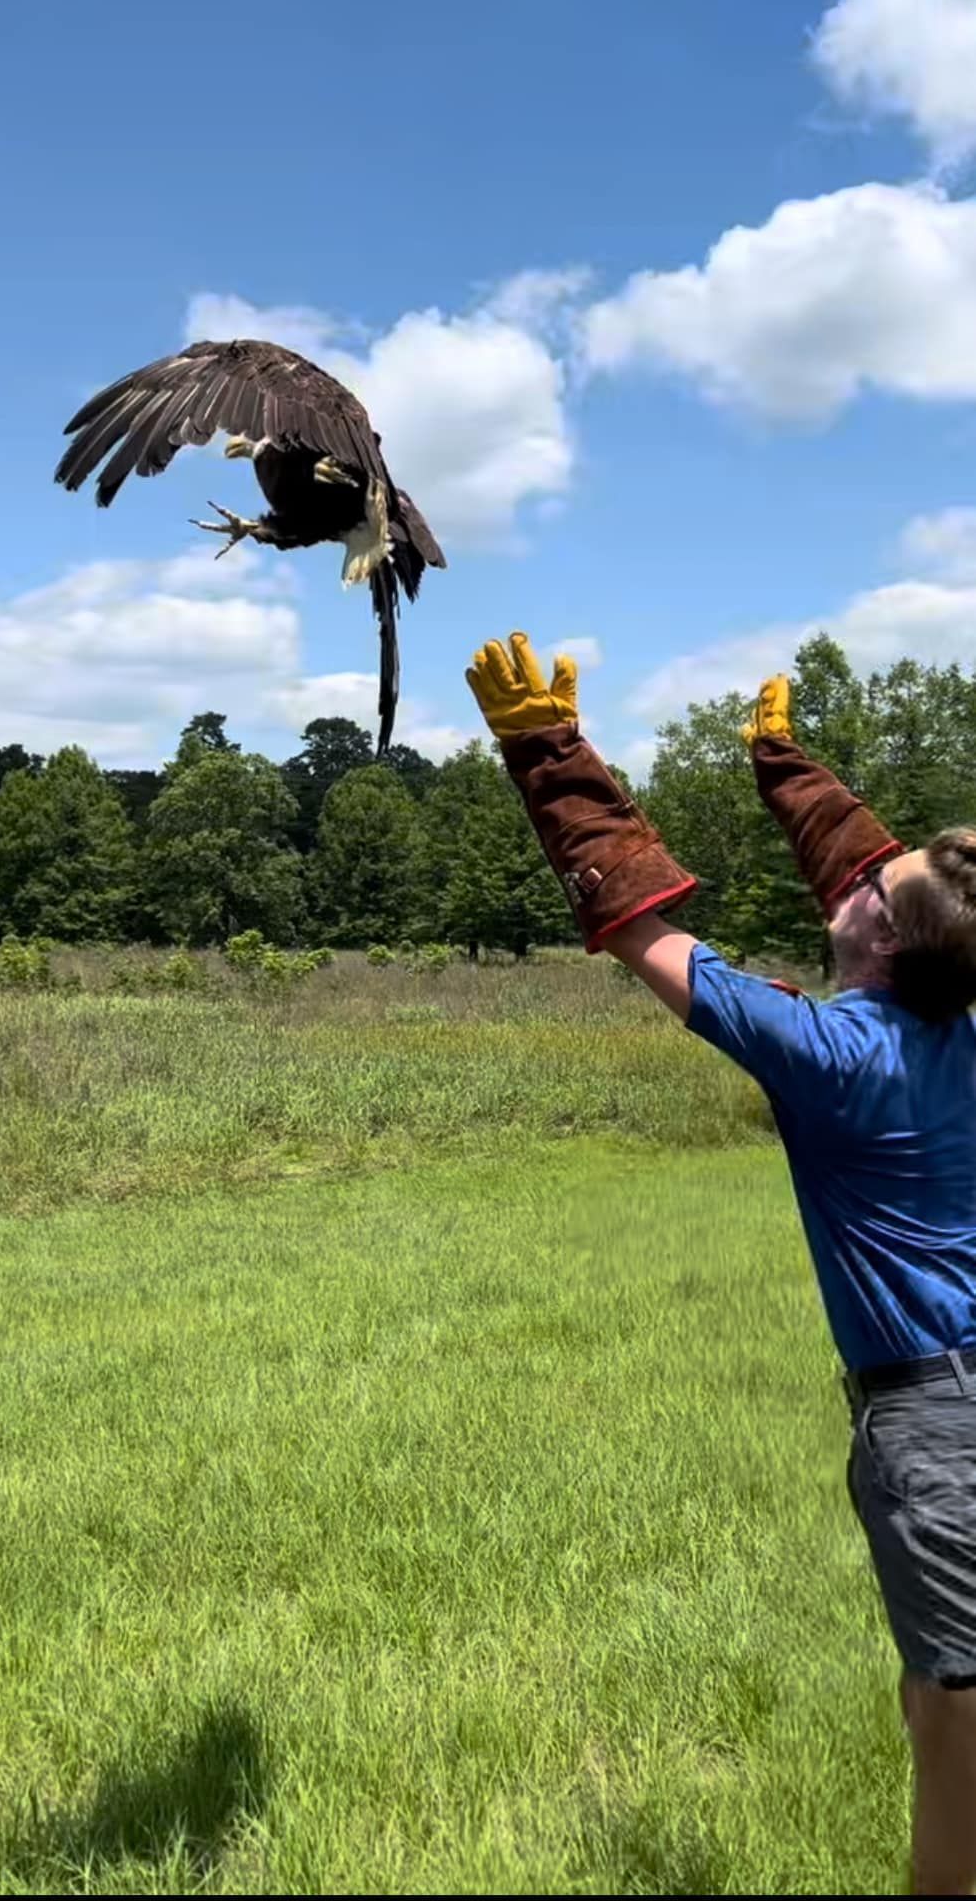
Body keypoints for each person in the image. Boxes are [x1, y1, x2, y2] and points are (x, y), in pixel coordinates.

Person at [466, 631, 976, 1898]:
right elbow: (881, 875)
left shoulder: (833, 1058)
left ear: (873, 936)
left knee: (958, 1747)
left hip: (937, 1421)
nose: (856, 874)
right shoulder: (953, 1013)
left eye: (870, 882)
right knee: (935, 1694)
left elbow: (637, 922)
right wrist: (779, 764)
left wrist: (546, 754)